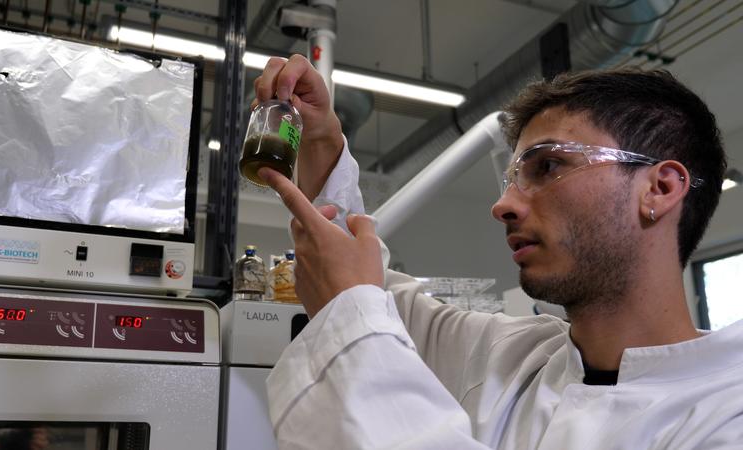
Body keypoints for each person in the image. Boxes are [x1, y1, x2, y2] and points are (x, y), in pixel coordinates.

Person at [253, 55, 741, 449]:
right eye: (512, 178)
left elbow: (358, 312)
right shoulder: (517, 358)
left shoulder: (725, 416)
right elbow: (375, 298)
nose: (502, 205)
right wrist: (321, 144)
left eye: (547, 166)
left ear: (660, 188)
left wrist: (349, 316)